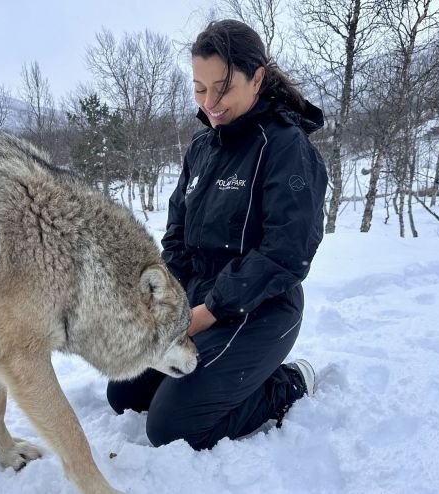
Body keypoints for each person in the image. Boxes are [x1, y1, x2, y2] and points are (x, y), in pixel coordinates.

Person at [107, 19, 328, 451]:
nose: (210, 102)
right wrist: (163, 301)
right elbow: (176, 239)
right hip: (198, 302)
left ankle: (286, 383)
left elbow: (287, 253)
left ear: (257, 77)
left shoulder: (285, 147)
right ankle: (210, 383)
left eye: (222, 88)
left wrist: (208, 311)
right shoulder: (201, 149)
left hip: (261, 309)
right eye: (199, 88)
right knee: (125, 396)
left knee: (171, 428)